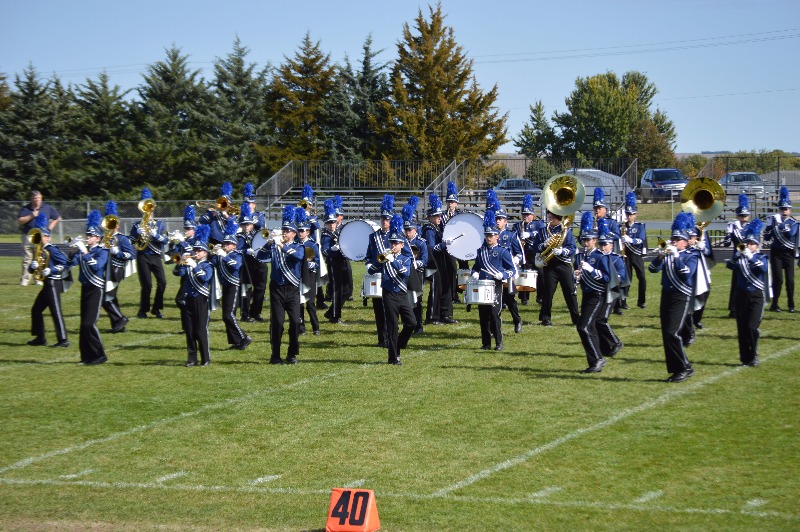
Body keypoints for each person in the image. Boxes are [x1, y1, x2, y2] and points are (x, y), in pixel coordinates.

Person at [648, 212, 699, 383]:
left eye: (677, 240)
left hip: (681, 296)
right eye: (673, 239)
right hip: (667, 295)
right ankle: (676, 368)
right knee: (666, 333)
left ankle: (684, 367)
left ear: (685, 242)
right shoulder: (668, 255)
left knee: (672, 332)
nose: (674, 242)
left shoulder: (691, 256)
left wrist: (676, 257)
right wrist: (661, 255)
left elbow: (686, 274)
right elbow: (653, 269)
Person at [257, 206, 304, 365]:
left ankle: (292, 354)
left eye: (287, 230)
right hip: (277, 288)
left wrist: (282, 246)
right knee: (277, 322)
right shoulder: (274, 246)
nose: (284, 232)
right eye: (283, 229)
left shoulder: (298, 246)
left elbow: (297, 257)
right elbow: (259, 256)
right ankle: (275, 355)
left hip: (292, 289)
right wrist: (269, 242)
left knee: (296, 322)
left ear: (294, 233)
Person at [470, 209, 515, 351]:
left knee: (495, 314)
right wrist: (474, 273)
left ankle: (499, 342)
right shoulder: (481, 251)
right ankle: (486, 343)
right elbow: (476, 267)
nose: (488, 238)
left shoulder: (503, 251)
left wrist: (503, 275)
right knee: (483, 315)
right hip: (482, 285)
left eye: (491, 235)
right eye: (487, 235)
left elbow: (513, 270)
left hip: (495, 285)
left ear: (497, 237)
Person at [573, 214, 613, 373]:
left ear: (595, 240)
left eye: (588, 240)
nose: (586, 242)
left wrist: (592, 270)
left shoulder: (599, 256)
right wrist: (577, 275)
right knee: (589, 327)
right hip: (587, 294)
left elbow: (607, 277)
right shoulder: (579, 257)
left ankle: (597, 359)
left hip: (598, 295)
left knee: (583, 327)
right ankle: (596, 360)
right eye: (584, 239)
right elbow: (578, 276)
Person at [726, 219, 768, 367]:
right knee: (742, 327)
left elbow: (762, 268)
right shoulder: (740, 259)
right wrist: (736, 255)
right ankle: (745, 358)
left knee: (751, 326)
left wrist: (750, 256)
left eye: (752, 244)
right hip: (741, 295)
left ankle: (754, 354)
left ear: (757, 245)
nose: (749, 246)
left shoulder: (762, 257)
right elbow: (729, 266)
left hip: (756, 296)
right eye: (747, 243)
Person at [70, 211, 109, 365]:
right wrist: (72, 251)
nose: (88, 237)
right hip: (85, 288)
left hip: (95, 289)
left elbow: (96, 266)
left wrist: (84, 251)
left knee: (89, 323)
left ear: (98, 238)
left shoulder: (102, 251)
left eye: (91, 235)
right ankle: (86, 356)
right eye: (87, 234)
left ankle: (100, 355)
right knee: (83, 324)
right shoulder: (84, 251)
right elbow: (70, 265)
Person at [26, 214, 69, 348]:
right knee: (36, 310)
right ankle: (40, 337)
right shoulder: (39, 251)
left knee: (55, 311)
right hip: (46, 284)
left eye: (42, 236)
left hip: (53, 283)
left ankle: (63, 340)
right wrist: (32, 267)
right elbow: (31, 271)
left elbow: (66, 263)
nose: (40, 239)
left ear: (48, 237)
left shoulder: (52, 249)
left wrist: (52, 270)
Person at [174, 225, 214, 367]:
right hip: (188, 299)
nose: (196, 252)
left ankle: (205, 358)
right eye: (195, 250)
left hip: (201, 300)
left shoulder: (208, 265)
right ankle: (192, 358)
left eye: (199, 250)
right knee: (189, 330)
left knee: (200, 330)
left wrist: (194, 266)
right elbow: (177, 273)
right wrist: (181, 263)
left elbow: (204, 279)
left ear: (205, 253)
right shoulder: (189, 264)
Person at [380, 215, 418, 365]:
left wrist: (392, 260)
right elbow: (373, 268)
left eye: (396, 243)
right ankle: (393, 358)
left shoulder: (406, 259)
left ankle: (400, 343)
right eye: (392, 243)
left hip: (401, 295)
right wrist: (372, 264)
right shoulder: (385, 256)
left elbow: (405, 272)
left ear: (402, 245)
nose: (393, 245)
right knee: (392, 326)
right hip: (388, 294)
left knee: (412, 323)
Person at [532, 210, 580, 326]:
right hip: (550, 266)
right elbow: (535, 247)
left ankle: (576, 318)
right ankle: (545, 317)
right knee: (548, 292)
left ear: (559, 218)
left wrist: (562, 251)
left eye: (553, 216)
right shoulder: (543, 231)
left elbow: (572, 248)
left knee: (570, 291)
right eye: (549, 215)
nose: (550, 218)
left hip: (564, 265)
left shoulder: (566, 231)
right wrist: (544, 244)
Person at [213, 217, 252, 350]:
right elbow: (212, 263)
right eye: (225, 243)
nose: (225, 245)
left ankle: (244, 337)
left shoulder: (236, 255)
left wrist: (224, 255)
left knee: (229, 315)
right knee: (226, 316)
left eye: (228, 243)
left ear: (234, 245)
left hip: (233, 286)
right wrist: (213, 254)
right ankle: (236, 342)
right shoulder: (222, 254)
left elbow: (235, 266)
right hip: (225, 286)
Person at [131, 187, 168, 319]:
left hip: (156, 256)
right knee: (147, 285)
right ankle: (143, 310)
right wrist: (137, 233)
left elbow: (165, 240)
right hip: (142, 256)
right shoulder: (136, 225)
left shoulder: (159, 224)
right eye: (146, 209)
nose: (149, 212)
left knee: (162, 282)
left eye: (150, 210)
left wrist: (155, 235)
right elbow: (131, 240)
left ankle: (156, 308)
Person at [365, 195, 397, 347]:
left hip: (392, 277)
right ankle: (381, 339)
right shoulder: (373, 237)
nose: (385, 222)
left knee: (389, 310)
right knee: (378, 309)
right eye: (383, 219)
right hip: (378, 276)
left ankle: (391, 338)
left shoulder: (395, 237)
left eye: (388, 220)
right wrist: (368, 265)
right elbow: (369, 255)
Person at [421, 194, 457, 325]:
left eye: (439, 216)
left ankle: (445, 314)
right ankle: (432, 317)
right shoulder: (429, 230)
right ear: (430, 217)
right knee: (437, 288)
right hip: (433, 262)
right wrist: (444, 244)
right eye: (436, 216)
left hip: (441, 261)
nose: (439, 218)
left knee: (446, 286)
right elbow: (431, 248)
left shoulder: (438, 227)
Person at [101, 201, 134, 334]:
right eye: (109, 223)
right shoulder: (105, 238)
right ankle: (118, 326)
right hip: (106, 269)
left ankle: (121, 319)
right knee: (111, 297)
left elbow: (131, 255)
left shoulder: (122, 239)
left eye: (113, 224)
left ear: (118, 225)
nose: (111, 226)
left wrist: (117, 252)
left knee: (105, 297)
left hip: (116, 270)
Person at [493, 196, 524, 333]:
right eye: (496, 219)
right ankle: (494, 328)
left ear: (505, 222)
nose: (498, 221)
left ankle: (517, 320)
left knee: (509, 298)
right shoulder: (491, 235)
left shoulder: (511, 235)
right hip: (494, 271)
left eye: (500, 219)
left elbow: (520, 254)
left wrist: (516, 260)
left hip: (507, 271)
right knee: (494, 300)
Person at [763, 187, 798, 313]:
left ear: (790, 209)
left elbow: (790, 235)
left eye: (787, 208)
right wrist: (769, 228)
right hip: (776, 252)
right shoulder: (772, 220)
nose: (785, 210)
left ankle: (791, 305)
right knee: (778, 279)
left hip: (789, 253)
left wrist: (780, 225)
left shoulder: (794, 222)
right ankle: (775, 304)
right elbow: (767, 237)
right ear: (779, 209)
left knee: (790, 280)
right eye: (782, 208)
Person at [17, 190, 61, 286]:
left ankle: (39, 278)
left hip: (42, 237)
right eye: (35, 198)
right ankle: (25, 279)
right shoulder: (26, 209)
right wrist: (31, 216)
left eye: (39, 198)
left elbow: (57, 217)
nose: (37, 200)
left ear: (41, 198)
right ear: (31, 199)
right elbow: (20, 220)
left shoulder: (47, 207)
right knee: (27, 258)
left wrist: (50, 226)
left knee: (40, 257)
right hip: (28, 236)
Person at [721, 194, 751, 318]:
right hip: (737, 257)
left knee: (749, 282)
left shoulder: (751, 226)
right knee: (736, 283)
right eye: (741, 215)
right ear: (737, 216)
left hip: (748, 258)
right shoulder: (732, 226)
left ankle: (747, 307)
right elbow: (727, 243)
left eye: (745, 215)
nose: (744, 218)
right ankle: (733, 309)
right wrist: (728, 235)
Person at [242, 183, 269, 321]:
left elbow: (260, 225)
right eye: (246, 203)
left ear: (254, 204)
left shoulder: (259, 215)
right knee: (246, 285)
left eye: (251, 203)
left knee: (261, 286)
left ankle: (255, 312)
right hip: (246, 257)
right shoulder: (238, 217)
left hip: (259, 255)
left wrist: (249, 218)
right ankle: (244, 313)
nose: (249, 205)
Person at [402, 197, 428, 335]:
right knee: (405, 300)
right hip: (404, 273)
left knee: (417, 300)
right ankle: (408, 323)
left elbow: (425, 260)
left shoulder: (421, 242)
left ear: (415, 228)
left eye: (410, 230)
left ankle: (419, 325)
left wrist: (416, 263)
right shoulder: (401, 242)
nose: (407, 232)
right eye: (406, 230)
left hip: (417, 274)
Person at [513, 193, 545, 305]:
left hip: (537, 253)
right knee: (524, 274)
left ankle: (540, 296)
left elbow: (541, 233)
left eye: (528, 214)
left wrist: (530, 234)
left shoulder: (538, 224)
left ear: (532, 214)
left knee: (541, 275)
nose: (525, 216)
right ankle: (524, 297)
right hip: (524, 252)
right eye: (524, 214)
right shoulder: (518, 225)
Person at [295, 207, 321, 336]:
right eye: (299, 231)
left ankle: (316, 327)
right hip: (298, 275)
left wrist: (310, 264)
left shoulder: (312, 245)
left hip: (310, 275)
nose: (300, 233)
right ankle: (301, 328)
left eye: (302, 231)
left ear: (308, 232)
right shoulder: (294, 244)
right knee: (299, 302)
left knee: (310, 302)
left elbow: (317, 262)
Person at [620, 192, 648, 309]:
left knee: (642, 278)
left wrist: (630, 240)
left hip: (636, 254)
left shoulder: (640, 226)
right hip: (626, 255)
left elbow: (641, 240)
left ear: (635, 214)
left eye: (631, 214)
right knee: (627, 279)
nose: (629, 216)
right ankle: (623, 301)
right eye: (628, 214)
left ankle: (641, 301)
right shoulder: (622, 226)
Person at [443, 181, 468, 304]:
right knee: (452, 270)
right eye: (448, 202)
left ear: (456, 204)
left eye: (452, 202)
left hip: (461, 246)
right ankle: (453, 295)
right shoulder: (442, 216)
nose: (450, 204)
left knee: (464, 269)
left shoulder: (460, 215)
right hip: (449, 247)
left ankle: (465, 292)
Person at [322, 200, 347, 324]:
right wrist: (332, 249)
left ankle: (331, 312)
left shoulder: (338, 231)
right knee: (337, 290)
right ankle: (335, 316)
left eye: (333, 222)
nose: (332, 224)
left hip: (342, 261)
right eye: (329, 222)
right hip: (333, 263)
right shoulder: (326, 235)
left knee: (346, 290)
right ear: (326, 224)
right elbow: (325, 252)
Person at [199, 182, 236, 246]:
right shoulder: (212, 211)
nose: (224, 205)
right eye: (222, 203)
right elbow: (202, 220)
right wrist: (212, 214)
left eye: (226, 204)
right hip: (214, 241)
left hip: (227, 241)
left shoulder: (232, 214)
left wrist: (226, 216)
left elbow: (234, 223)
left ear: (229, 204)